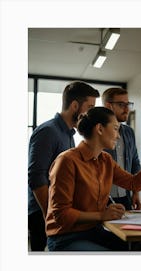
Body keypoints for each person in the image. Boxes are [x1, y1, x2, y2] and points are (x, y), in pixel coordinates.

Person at [46, 107, 141, 251]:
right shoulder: (67, 160)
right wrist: (102, 215)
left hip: (94, 232)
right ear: (99, 129)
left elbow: (133, 183)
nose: (118, 136)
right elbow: (61, 215)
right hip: (66, 237)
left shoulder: (106, 160)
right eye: (115, 128)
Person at [28, 81, 100, 251]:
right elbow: (37, 178)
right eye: (89, 107)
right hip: (42, 211)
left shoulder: (69, 134)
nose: (91, 113)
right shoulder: (48, 131)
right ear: (75, 105)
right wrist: (51, 214)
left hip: (58, 211)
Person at [102, 87, 141, 210]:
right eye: (121, 104)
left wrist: (136, 192)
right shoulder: (99, 131)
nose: (127, 109)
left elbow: (135, 162)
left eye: (128, 104)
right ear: (109, 106)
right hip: (104, 198)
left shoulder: (129, 132)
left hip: (126, 197)